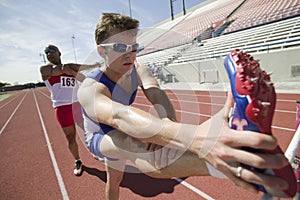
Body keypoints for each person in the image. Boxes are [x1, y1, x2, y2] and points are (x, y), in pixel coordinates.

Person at [77, 13, 291, 199]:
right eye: (119, 47)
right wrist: (195, 137)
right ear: (101, 51)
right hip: (99, 134)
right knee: (132, 144)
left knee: (114, 180)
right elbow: (118, 116)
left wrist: (169, 133)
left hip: (121, 124)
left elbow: (158, 96)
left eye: (134, 47)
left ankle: (240, 161)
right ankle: (235, 165)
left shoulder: (138, 69)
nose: (130, 54)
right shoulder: (90, 88)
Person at [40, 44, 99, 176]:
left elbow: (83, 79)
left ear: (59, 53)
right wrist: (91, 66)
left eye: (51, 51)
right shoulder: (45, 69)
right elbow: (65, 68)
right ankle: (78, 160)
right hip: (62, 108)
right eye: (46, 52)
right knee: (71, 136)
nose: (48, 53)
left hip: (76, 105)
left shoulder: (70, 70)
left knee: (87, 130)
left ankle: (93, 151)